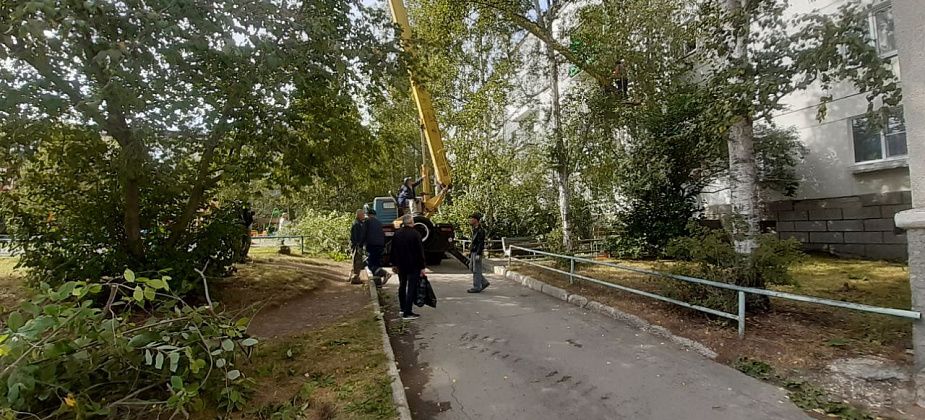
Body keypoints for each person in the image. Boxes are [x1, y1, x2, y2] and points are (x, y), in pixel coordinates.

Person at [391, 214, 426, 319]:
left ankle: (402, 309)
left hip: (401, 265)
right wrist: (422, 266)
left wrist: (394, 264)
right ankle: (408, 311)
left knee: (402, 285)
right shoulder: (416, 234)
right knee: (411, 287)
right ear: (411, 223)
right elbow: (420, 252)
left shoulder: (397, 234)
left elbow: (393, 250)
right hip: (413, 265)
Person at [364, 209, 391, 286]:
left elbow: (364, 234)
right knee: (376, 264)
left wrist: (361, 243)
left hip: (372, 245)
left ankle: (385, 274)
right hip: (380, 246)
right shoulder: (379, 223)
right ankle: (378, 283)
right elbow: (383, 235)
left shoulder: (367, 222)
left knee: (371, 265)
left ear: (368, 215)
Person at [466, 213, 490, 293]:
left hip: (477, 252)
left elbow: (481, 243)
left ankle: (476, 287)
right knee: (471, 267)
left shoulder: (480, 230)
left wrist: (479, 254)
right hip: (473, 251)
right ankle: (484, 282)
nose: (470, 220)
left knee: (476, 269)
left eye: (471, 218)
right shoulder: (474, 229)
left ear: (476, 220)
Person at [348, 209, 366, 284]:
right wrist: (357, 245)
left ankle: (354, 276)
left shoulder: (359, 223)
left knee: (357, 261)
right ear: (359, 215)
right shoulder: (356, 224)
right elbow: (355, 237)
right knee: (357, 262)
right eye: (363, 214)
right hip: (357, 246)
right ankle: (355, 278)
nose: (364, 216)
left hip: (358, 245)